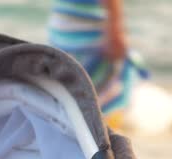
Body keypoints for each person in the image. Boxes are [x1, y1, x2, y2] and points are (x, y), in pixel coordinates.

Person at [48, 0, 148, 129]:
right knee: (81, 107)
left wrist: (116, 29)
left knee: (95, 106)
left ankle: (103, 140)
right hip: (67, 35)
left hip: (88, 37)